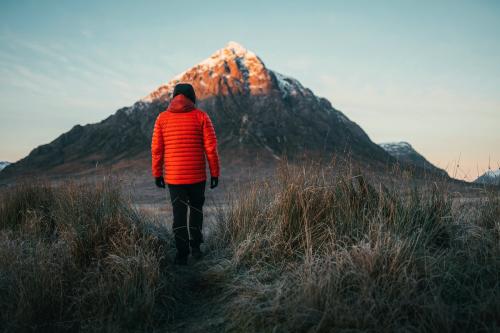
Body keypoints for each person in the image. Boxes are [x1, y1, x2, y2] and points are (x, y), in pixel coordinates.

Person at [151, 83, 220, 265]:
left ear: (174, 97)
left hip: (174, 178)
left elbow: (157, 149)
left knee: (178, 214)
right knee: (196, 212)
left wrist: (157, 174)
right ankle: (196, 248)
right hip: (197, 177)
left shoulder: (162, 118)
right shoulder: (201, 117)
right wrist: (215, 173)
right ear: (192, 97)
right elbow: (211, 149)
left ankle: (182, 255)